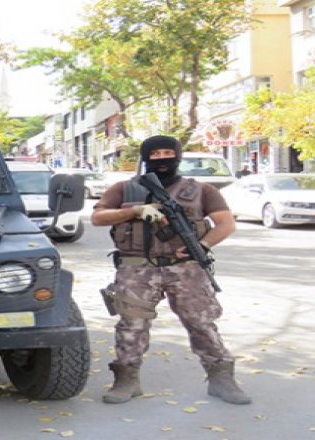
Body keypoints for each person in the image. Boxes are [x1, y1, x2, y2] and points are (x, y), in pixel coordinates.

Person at [91, 135, 251, 405]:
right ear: (146, 158)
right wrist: (136, 211)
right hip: (136, 269)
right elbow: (98, 216)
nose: (163, 158)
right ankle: (126, 379)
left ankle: (221, 378)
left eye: (168, 152)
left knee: (201, 323)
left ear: (177, 156)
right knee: (132, 325)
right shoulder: (125, 189)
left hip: (186, 268)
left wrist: (200, 246)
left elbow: (225, 224)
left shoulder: (202, 191)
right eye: (155, 154)